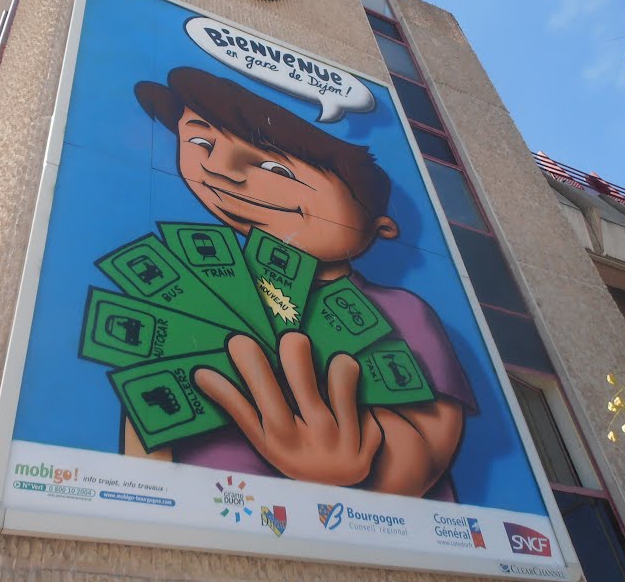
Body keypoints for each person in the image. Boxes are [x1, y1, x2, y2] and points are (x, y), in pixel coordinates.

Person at [129, 67, 476, 500]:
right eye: (201, 142)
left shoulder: (399, 310)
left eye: (277, 167)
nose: (221, 170)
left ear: (380, 229)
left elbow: (424, 447)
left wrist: (353, 470)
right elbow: (147, 442)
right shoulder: (192, 302)